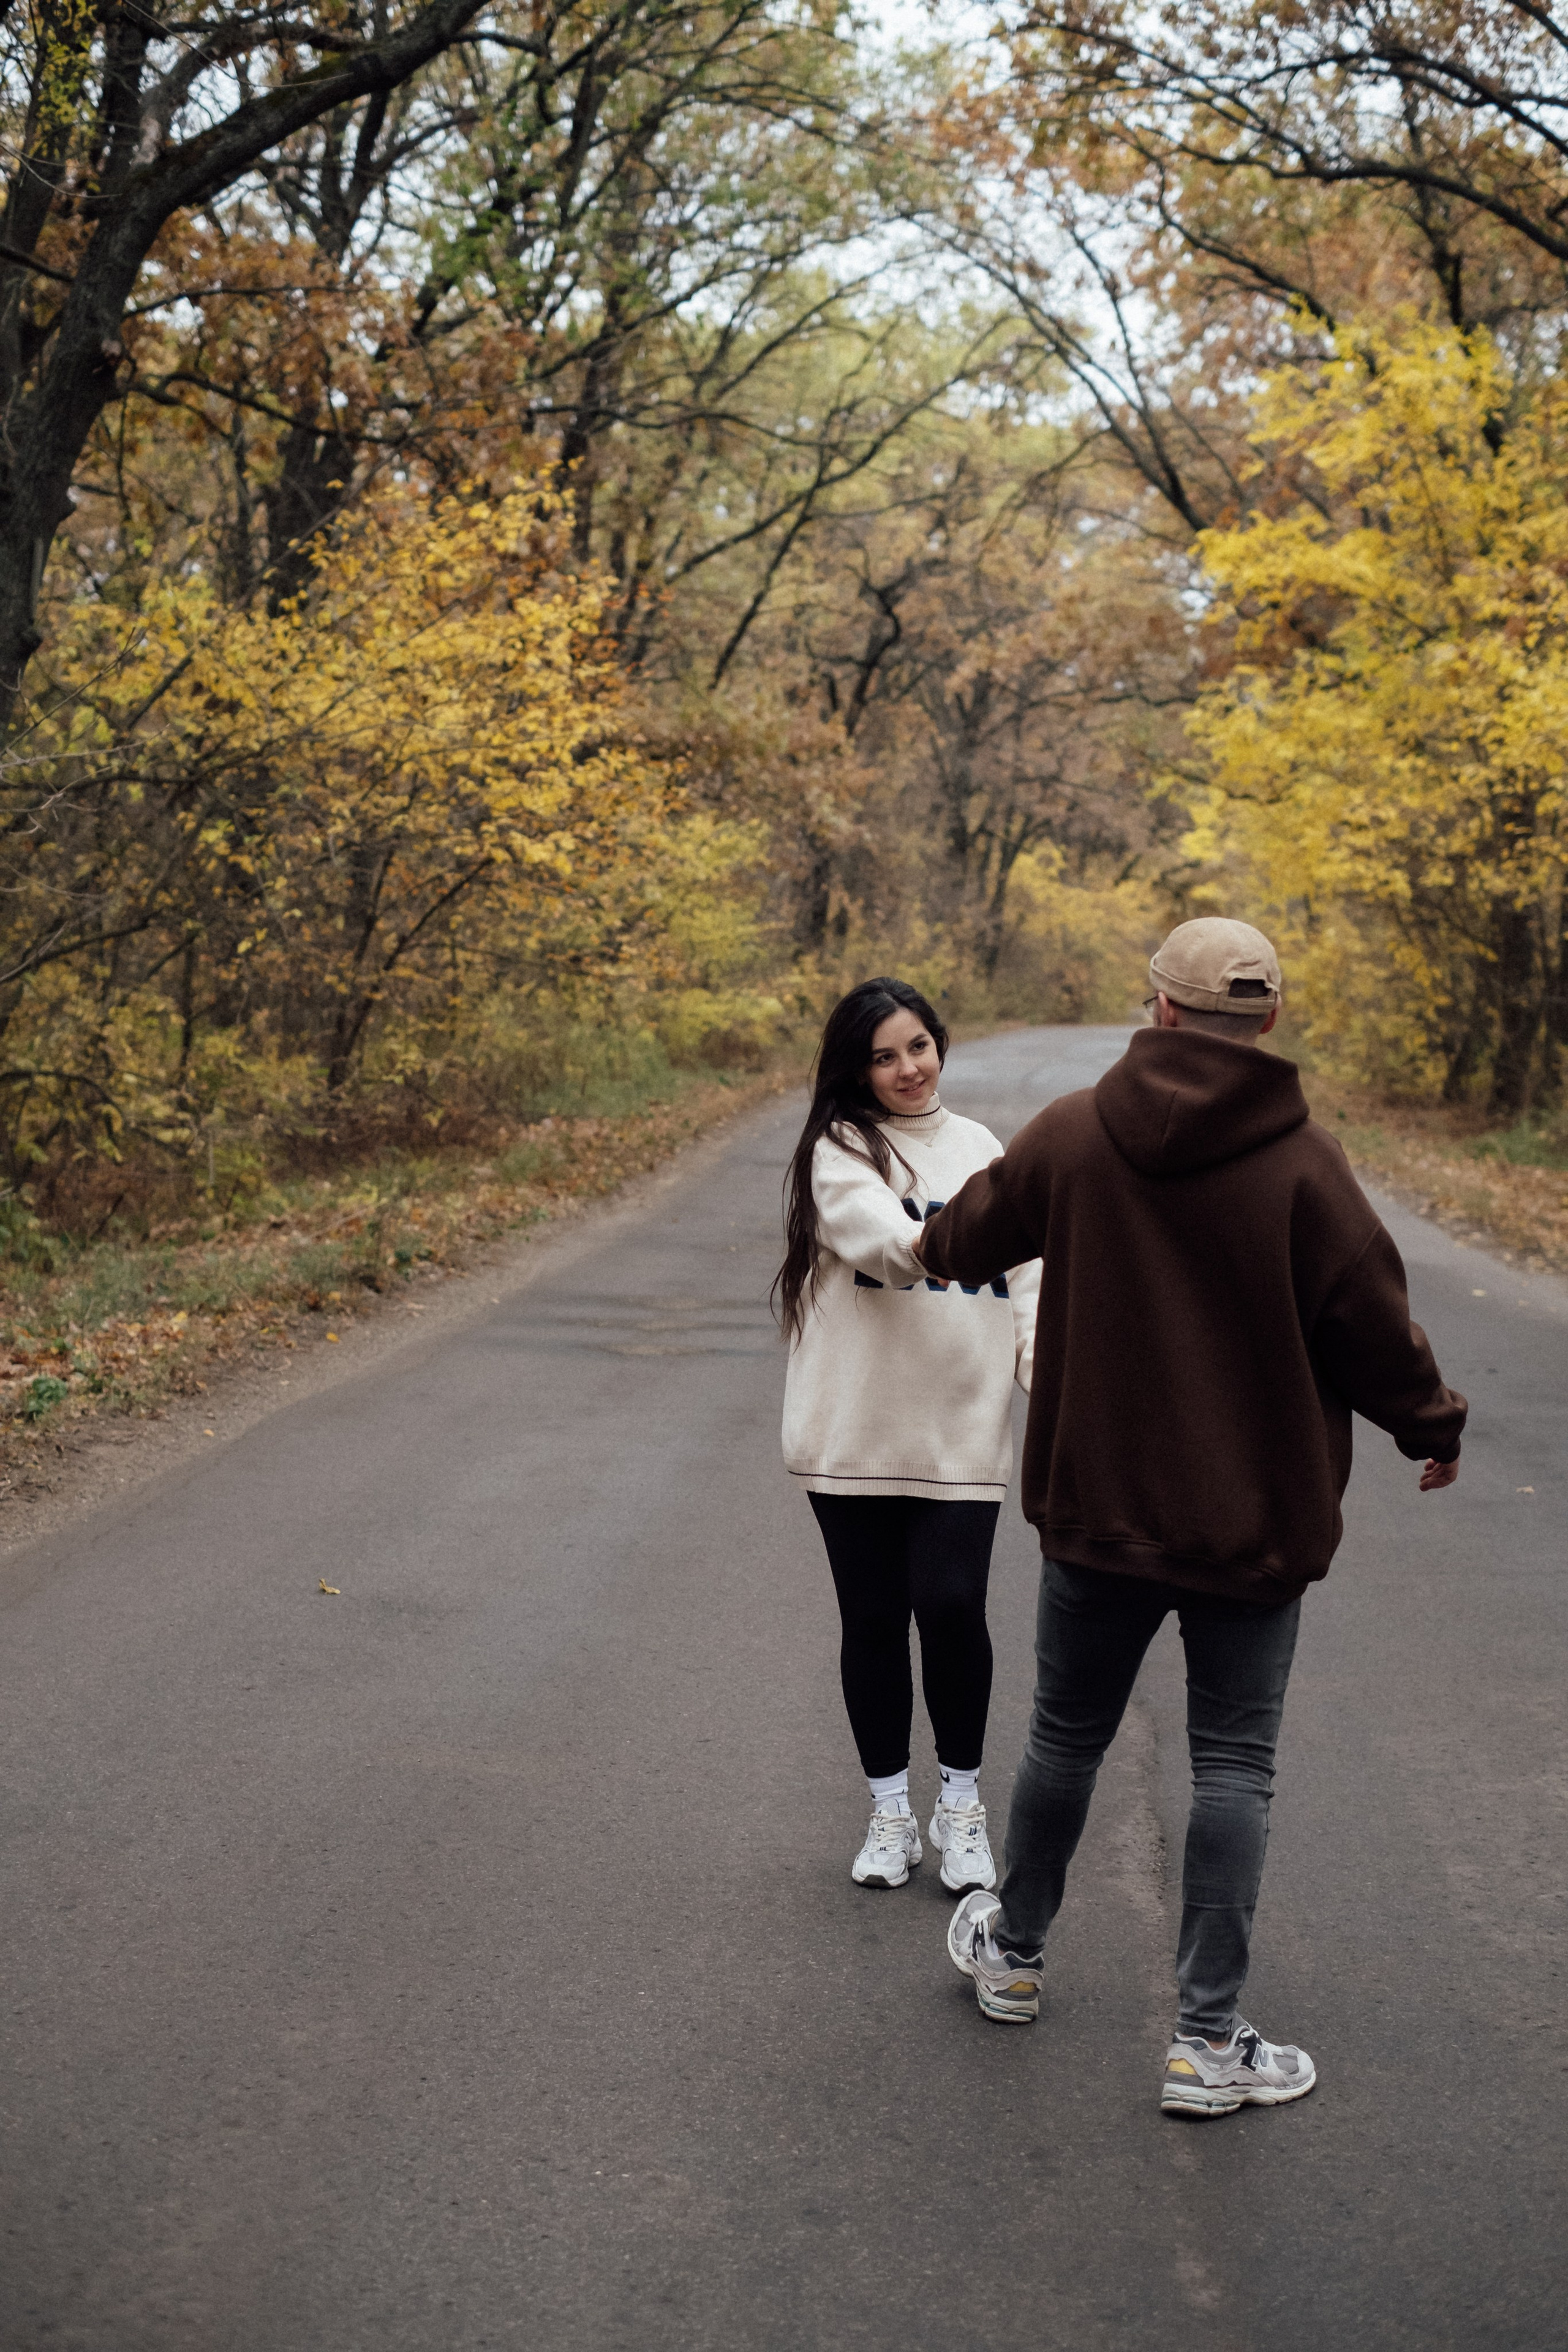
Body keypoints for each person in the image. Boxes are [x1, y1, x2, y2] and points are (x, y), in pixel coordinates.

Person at [913, 918, 1467, 2117]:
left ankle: (1011, 1961)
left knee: (1064, 1738)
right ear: (1264, 1022)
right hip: (1252, 1523)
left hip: (1098, 1513)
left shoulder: (1070, 1134)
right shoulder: (1304, 1164)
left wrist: (928, 1235)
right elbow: (1371, 1327)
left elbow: (959, 1239)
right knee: (1231, 1767)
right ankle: (1205, 2045)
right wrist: (1430, 1428)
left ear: (1154, 1009)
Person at [776, 977, 1041, 1896]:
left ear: (941, 1044)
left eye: (919, 1046)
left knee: (956, 1607)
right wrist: (973, 1222)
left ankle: (960, 1805)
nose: (907, 1069)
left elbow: (1033, 1286)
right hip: (853, 1430)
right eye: (883, 1055)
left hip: (959, 1428)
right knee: (876, 1619)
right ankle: (890, 1807)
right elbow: (887, 1244)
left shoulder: (983, 1150)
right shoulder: (839, 1152)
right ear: (856, 1067)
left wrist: (1050, 1387)